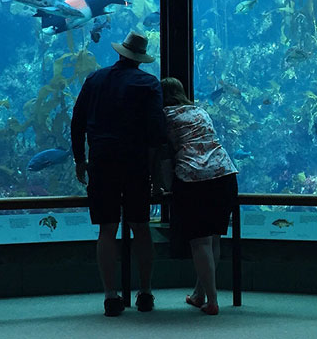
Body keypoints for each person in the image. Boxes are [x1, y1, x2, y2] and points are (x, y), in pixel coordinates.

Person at [71, 31, 166, 317]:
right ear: (140, 58)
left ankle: (111, 296)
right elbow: (156, 133)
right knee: (140, 226)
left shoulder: (95, 79)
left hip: (101, 161)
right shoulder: (148, 83)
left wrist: (80, 159)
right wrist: (156, 175)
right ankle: (146, 292)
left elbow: (77, 122)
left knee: (107, 229)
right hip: (135, 163)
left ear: (120, 53)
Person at [161, 76, 238, 316]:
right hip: (225, 174)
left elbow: (164, 156)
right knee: (213, 238)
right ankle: (200, 294)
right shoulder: (200, 111)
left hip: (195, 178)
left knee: (200, 242)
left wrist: (166, 186)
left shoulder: (164, 116)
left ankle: (212, 300)